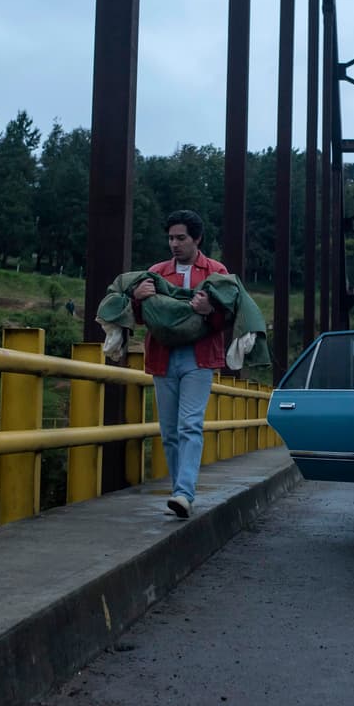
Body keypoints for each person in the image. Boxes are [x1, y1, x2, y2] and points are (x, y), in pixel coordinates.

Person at [131, 209, 228, 519]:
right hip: (163, 356)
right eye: (171, 238)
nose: (174, 243)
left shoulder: (216, 272)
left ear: (196, 238)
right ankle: (179, 493)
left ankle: (185, 492)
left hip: (197, 357)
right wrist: (137, 297)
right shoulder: (155, 273)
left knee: (190, 424)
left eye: (181, 238)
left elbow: (229, 317)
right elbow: (137, 318)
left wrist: (209, 309)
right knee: (169, 430)